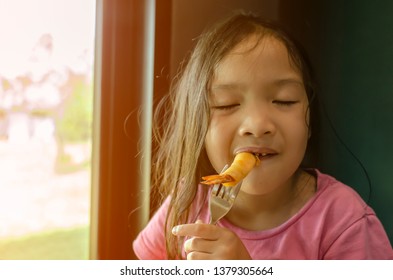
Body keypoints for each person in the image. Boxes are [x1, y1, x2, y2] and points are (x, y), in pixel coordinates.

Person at [132, 12, 393, 260]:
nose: (257, 125)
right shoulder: (186, 204)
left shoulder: (343, 222)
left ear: (309, 119)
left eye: (283, 101)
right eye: (226, 104)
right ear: (197, 126)